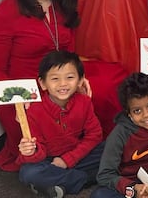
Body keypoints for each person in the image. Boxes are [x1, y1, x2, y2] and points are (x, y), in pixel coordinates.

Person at [0, 0, 127, 171]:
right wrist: (23, 99)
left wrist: (77, 77)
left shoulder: (60, 4)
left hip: (62, 76)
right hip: (28, 90)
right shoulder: (7, 10)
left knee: (115, 77)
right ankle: (83, 157)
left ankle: (114, 142)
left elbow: (68, 52)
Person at [17, 51, 104, 198]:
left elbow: (95, 135)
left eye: (70, 77)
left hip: (78, 155)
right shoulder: (34, 110)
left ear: (80, 80)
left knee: (113, 148)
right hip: (49, 161)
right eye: (55, 79)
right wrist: (30, 151)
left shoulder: (84, 102)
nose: (63, 84)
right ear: (43, 83)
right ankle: (86, 179)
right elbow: (39, 151)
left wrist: (68, 160)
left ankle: (58, 185)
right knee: (28, 172)